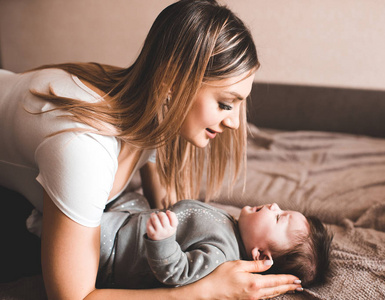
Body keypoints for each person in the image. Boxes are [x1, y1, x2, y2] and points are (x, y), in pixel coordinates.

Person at [0, 0, 304, 299]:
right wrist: (205, 290)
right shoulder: (84, 149)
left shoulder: (149, 106)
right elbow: (73, 296)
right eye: (225, 104)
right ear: (172, 82)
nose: (236, 124)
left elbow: (163, 199)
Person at [96, 195, 333, 290]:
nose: (273, 206)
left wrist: (163, 241)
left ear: (260, 255)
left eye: (279, 217)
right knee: (130, 196)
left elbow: (178, 273)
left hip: (118, 250)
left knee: (89, 231)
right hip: (133, 220)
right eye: (282, 209)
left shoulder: (221, 255)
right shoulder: (234, 226)